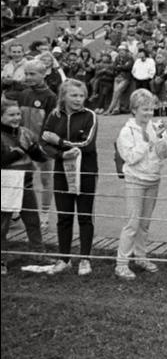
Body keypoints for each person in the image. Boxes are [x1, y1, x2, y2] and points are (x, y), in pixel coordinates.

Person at [38, 79, 98, 275]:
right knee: (64, 216)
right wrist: (61, 154)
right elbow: (43, 142)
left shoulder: (90, 115)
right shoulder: (54, 115)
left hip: (86, 172)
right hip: (62, 172)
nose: (78, 99)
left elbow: (86, 143)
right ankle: (64, 258)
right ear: (63, 96)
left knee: (85, 216)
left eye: (81, 96)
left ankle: (85, 259)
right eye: (74, 95)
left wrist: (60, 141)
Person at [114, 89, 167, 280]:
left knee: (144, 223)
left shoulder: (156, 127)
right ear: (134, 110)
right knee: (132, 223)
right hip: (135, 180)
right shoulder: (127, 131)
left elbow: (164, 154)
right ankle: (121, 263)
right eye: (144, 109)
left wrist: (161, 139)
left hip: (153, 179)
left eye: (151, 109)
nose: (148, 113)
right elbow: (130, 157)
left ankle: (140, 256)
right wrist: (149, 142)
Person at [1, 98, 48, 267]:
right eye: (11, 115)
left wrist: (34, 150)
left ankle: (38, 254)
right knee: (2, 225)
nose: (16, 118)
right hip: (5, 186)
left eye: (18, 114)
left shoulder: (26, 133)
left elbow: (41, 157)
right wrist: (21, 150)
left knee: (33, 221)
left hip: (26, 183)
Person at [12, 60, 58, 232]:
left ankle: (44, 216)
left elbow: (51, 123)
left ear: (44, 74)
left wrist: (42, 144)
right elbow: (17, 118)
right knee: (20, 178)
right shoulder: (24, 94)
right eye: (26, 73)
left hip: (42, 146)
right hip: (22, 145)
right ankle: (15, 213)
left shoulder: (51, 97)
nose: (28, 77)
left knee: (45, 179)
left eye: (32, 74)